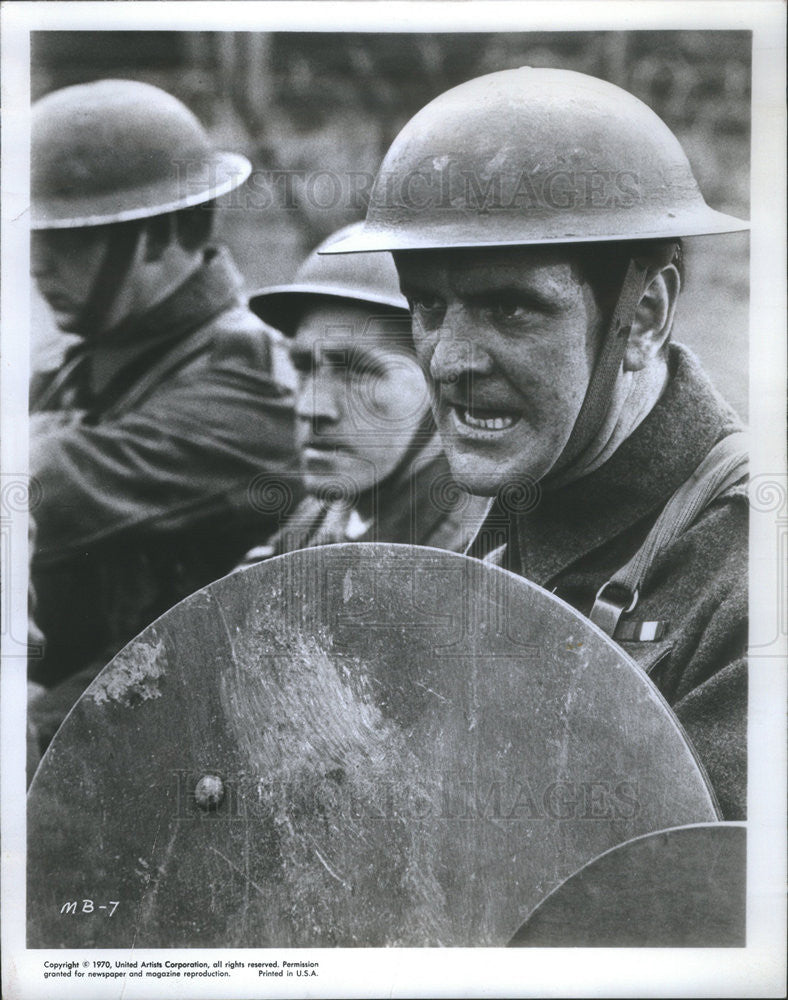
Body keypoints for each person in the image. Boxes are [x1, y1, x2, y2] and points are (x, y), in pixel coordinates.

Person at [326, 68, 749, 819]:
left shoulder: (748, 579)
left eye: (511, 308)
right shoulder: (495, 486)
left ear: (644, 316)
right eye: (427, 304)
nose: (450, 360)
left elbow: (704, 911)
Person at [28, 80, 301, 750]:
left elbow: (43, 487)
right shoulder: (84, 361)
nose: (36, 264)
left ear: (162, 235)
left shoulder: (253, 379)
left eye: (69, 239)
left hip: (178, 752)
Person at [238, 223, 488, 564]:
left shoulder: (478, 549)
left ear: (444, 380)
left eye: (357, 373)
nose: (312, 406)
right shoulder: (323, 515)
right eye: (304, 365)